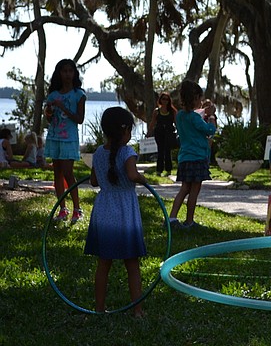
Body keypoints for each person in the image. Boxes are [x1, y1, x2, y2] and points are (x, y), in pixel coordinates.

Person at [84, 107, 147, 317]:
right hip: (124, 210)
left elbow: (93, 182)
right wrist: (142, 179)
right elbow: (131, 175)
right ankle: (137, 310)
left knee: (104, 263)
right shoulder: (128, 152)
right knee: (131, 262)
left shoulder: (98, 153)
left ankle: (99, 308)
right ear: (125, 130)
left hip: (104, 209)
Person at [167, 80, 217, 228]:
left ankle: (172, 218)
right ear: (195, 98)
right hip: (198, 157)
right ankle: (189, 221)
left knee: (184, 189)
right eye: (200, 99)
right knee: (194, 191)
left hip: (185, 157)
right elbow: (210, 130)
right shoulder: (194, 117)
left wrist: (203, 112)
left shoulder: (180, 116)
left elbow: (194, 120)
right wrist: (212, 116)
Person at [44, 59, 86, 223]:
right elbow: (49, 120)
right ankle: (62, 209)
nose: (67, 74)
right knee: (57, 174)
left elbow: (79, 119)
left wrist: (62, 107)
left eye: (70, 71)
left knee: (68, 173)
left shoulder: (79, 95)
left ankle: (77, 209)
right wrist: (49, 111)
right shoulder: (53, 95)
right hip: (55, 137)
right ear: (59, 73)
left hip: (69, 139)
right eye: (64, 71)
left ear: (74, 73)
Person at [148, 91, 178, 176]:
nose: (165, 101)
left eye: (167, 99)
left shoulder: (172, 111)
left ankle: (168, 170)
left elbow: (176, 122)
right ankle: (159, 170)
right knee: (160, 151)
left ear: (169, 101)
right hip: (159, 133)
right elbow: (153, 122)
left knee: (168, 151)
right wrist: (149, 132)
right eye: (163, 99)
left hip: (169, 133)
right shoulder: (157, 111)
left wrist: (180, 131)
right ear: (160, 100)